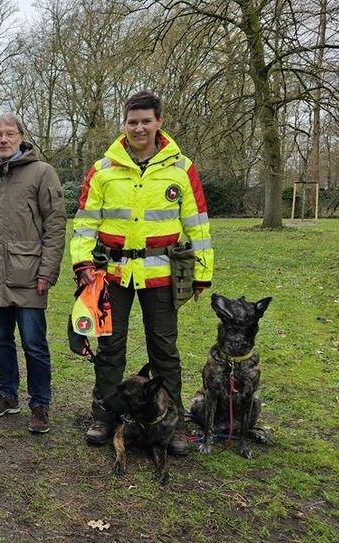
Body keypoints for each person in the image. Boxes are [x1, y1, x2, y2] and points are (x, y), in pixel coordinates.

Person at [71, 90, 214, 455]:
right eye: (132, 121)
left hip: (162, 274)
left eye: (146, 121)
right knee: (109, 348)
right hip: (111, 273)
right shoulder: (103, 169)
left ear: (159, 123)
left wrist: (201, 272)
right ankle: (104, 415)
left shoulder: (181, 169)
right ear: (124, 124)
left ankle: (173, 420)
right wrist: (83, 263)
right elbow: (86, 223)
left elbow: (197, 225)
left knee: (164, 350)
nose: (139, 128)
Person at [0, 113, 66, 433]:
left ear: (21, 136)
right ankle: (7, 395)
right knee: (0, 340)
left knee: (34, 344)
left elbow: (55, 225)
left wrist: (48, 270)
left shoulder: (42, 173)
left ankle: (40, 403)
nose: (3, 139)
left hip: (30, 276)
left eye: (9, 134)